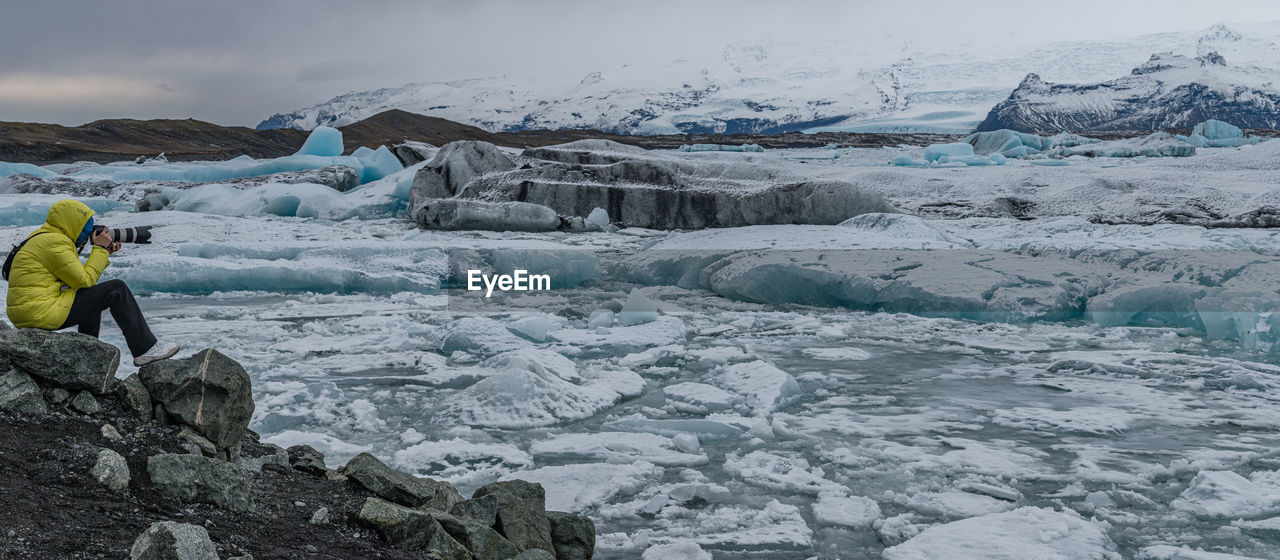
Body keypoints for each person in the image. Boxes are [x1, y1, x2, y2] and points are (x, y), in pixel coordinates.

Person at [5, 199, 178, 366]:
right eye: (84, 228)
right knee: (116, 289)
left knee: (92, 298)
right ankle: (146, 349)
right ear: (72, 223)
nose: (86, 235)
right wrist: (100, 250)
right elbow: (84, 280)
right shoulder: (54, 242)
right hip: (40, 311)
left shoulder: (42, 237)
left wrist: (104, 252)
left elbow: (78, 282)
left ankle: (88, 351)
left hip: (29, 310)